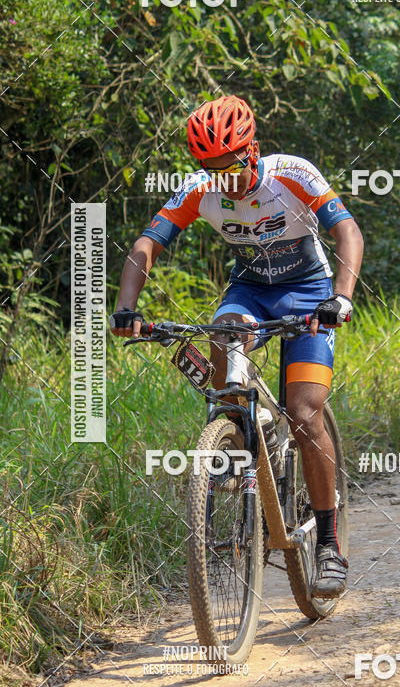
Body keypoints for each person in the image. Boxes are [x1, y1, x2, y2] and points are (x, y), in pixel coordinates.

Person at [110, 95, 364, 598]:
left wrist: (341, 297)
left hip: (309, 291)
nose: (222, 179)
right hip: (248, 292)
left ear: (253, 152)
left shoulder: (292, 173)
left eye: (229, 166)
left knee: (304, 412)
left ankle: (330, 544)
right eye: (211, 169)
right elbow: (147, 245)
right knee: (224, 336)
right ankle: (240, 438)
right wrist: (126, 308)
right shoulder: (198, 190)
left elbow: (347, 230)